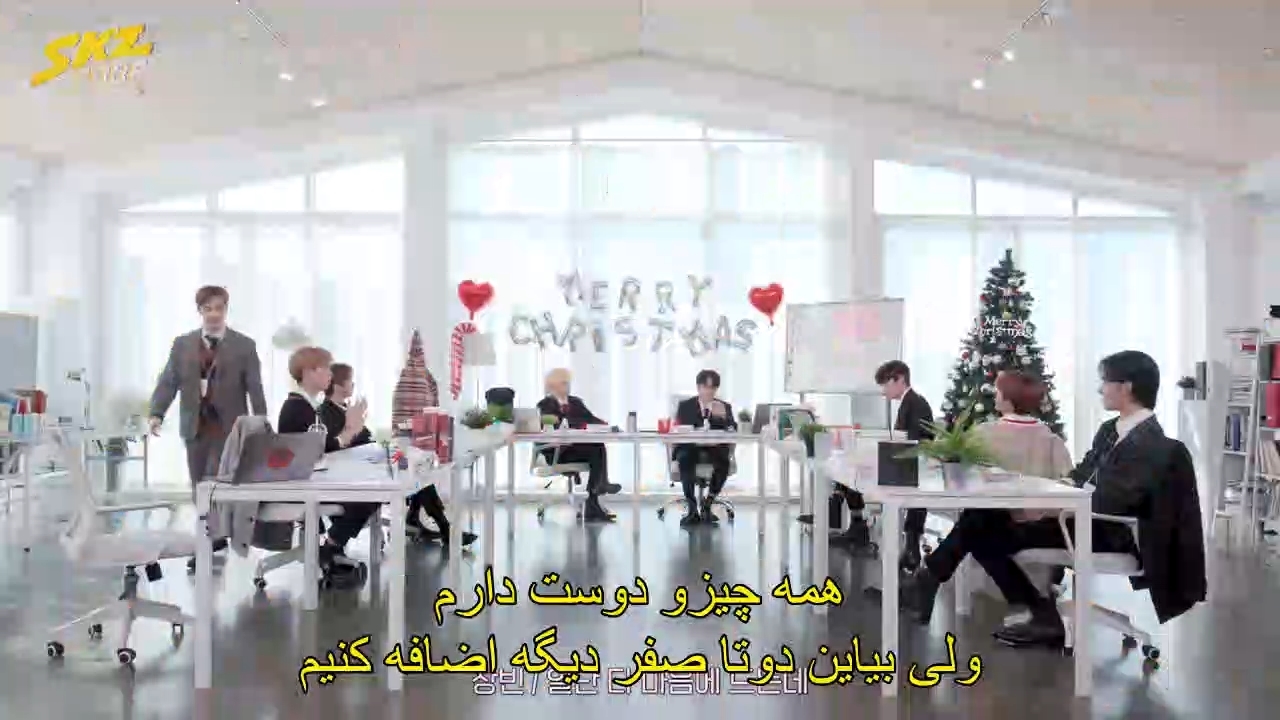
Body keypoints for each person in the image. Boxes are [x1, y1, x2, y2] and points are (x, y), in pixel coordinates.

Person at [900, 351, 1169, 648]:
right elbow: (1081, 474)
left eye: (1105, 382)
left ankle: (932, 579)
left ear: (1126, 387)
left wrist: (1054, 504)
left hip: (1108, 531)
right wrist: (1058, 490)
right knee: (983, 518)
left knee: (981, 525)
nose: (1100, 389)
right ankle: (937, 581)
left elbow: (1117, 498)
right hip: (1080, 519)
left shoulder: (1151, 442)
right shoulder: (1111, 430)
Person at [148, 285, 267, 570]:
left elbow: (255, 386)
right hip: (195, 426)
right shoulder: (183, 344)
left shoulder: (244, 345)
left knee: (219, 483)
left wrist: (261, 422)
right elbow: (169, 381)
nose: (214, 314)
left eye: (219, 308)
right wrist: (156, 413)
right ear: (200, 310)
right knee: (198, 484)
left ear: (226, 310)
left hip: (229, 428)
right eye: (208, 308)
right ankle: (210, 536)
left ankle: (213, 537)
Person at [321, 363, 475, 549]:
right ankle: (441, 527)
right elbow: (342, 445)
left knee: (418, 471)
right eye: (350, 381)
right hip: (355, 474)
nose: (353, 385)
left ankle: (428, 522)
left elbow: (365, 438)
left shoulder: (346, 409)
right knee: (415, 473)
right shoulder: (326, 413)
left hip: (369, 464)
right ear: (338, 385)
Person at [277, 347, 382, 585]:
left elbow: (322, 448)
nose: (330, 374)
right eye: (325, 369)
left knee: (370, 490)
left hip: (313, 479)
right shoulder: (296, 407)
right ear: (308, 372)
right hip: (303, 485)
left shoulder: (307, 406)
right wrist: (350, 430)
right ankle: (332, 545)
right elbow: (319, 450)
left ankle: (332, 545)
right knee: (370, 493)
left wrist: (351, 430)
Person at [832, 361, 934, 570]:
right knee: (848, 468)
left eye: (885, 385)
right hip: (902, 462)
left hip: (910, 468)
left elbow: (915, 442)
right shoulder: (909, 402)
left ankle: (861, 526)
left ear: (899, 379)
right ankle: (856, 523)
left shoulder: (917, 404)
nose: (883, 391)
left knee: (853, 469)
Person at [536, 368, 620, 523]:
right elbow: (556, 424)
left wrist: (605, 426)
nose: (566, 386)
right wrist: (580, 424)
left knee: (597, 446)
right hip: (558, 452)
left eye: (567, 383)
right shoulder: (545, 405)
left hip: (576, 448)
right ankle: (598, 490)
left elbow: (590, 418)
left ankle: (594, 498)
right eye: (563, 383)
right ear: (552, 385)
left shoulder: (576, 402)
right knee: (596, 449)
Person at [673, 370, 737, 527]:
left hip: (714, 448)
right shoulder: (686, 405)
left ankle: (708, 504)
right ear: (698, 387)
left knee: (723, 461)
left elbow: (732, 429)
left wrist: (723, 417)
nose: (709, 391)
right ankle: (692, 508)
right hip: (691, 447)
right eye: (705, 387)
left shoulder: (723, 406)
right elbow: (680, 429)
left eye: (713, 388)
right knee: (685, 458)